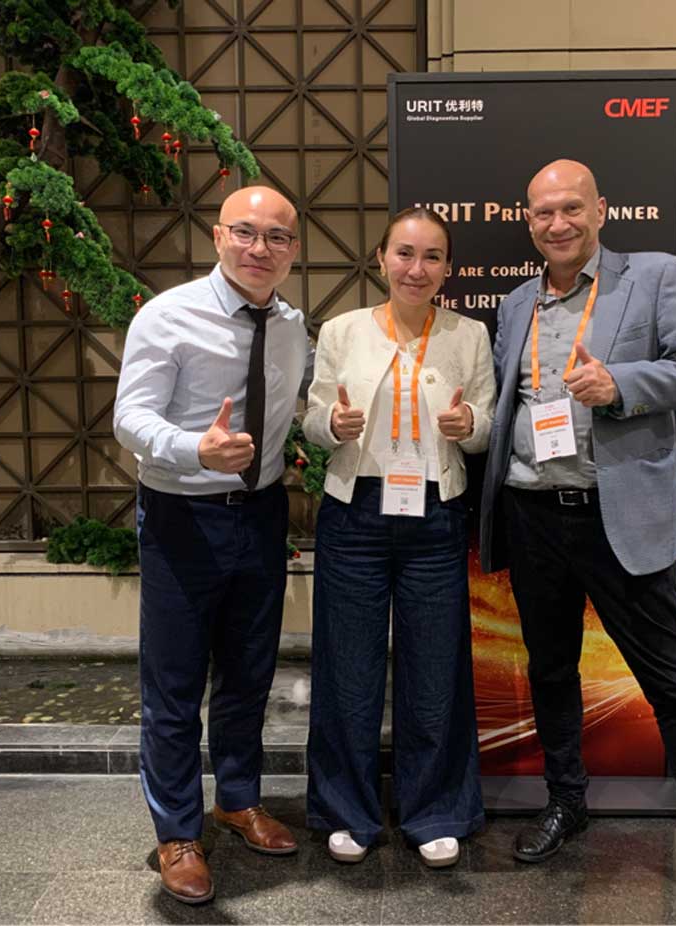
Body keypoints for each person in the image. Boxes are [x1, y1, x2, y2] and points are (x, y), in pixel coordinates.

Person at [478, 160, 676, 925]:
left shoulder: (653, 276)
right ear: (529, 221)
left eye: (571, 208)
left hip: (620, 518)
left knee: (672, 685)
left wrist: (620, 386)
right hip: (533, 514)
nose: (558, 223)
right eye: (543, 212)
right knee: (551, 670)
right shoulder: (516, 303)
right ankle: (567, 801)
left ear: (601, 209)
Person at [114, 186, 313, 905]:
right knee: (173, 686)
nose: (261, 248)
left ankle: (237, 798)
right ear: (218, 236)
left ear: (293, 250)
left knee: (248, 673)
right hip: (182, 518)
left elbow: (296, 410)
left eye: (277, 237)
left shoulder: (292, 327)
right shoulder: (167, 315)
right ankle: (177, 830)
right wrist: (194, 448)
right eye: (246, 232)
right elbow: (130, 417)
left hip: (260, 515)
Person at [302, 207, 494, 868]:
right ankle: (346, 811)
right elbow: (314, 418)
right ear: (381, 258)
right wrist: (333, 425)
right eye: (405, 253)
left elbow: (487, 425)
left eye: (432, 256)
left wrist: (470, 426)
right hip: (356, 513)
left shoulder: (469, 334)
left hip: (436, 516)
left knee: (435, 669)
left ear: (448, 267)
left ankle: (436, 809)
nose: (417, 268)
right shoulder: (342, 330)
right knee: (347, 668)